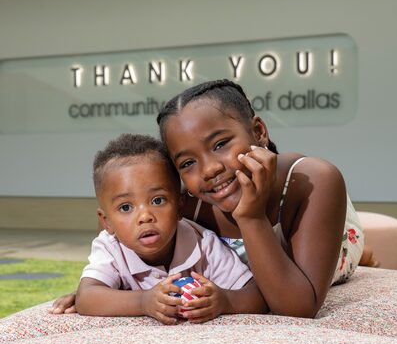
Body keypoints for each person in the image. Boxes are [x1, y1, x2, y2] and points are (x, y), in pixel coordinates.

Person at [52, 79, 372, 318]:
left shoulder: (315, 180)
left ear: (258, 131)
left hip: (325, 244)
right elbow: (126, 234)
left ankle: (367, 250)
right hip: (255, 276)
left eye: (220, 144)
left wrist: (251, 216)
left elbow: (298, 309)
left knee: (336, 253)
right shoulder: (186, 201)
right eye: (188, 163)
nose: (210, 169)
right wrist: (102, 286)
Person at [51, 133, 267, 324]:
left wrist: (225, 301)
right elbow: (87, 297)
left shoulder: (203, 243)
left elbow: (256, 296)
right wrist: (144, 301)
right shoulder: (110, 248)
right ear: (106, 221)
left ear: (180, 206)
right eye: (126, 207)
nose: (145, 216)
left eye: (158, 201)